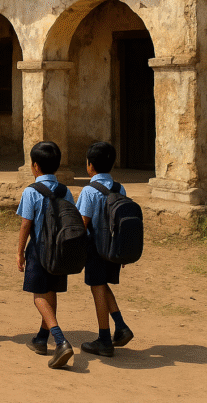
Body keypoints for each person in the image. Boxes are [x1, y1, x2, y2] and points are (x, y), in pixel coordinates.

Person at [16, 141, 76, 369]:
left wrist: (20, 252)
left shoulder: (31, 191)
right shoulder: (65, 191)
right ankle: (41, 338)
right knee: (51, 293)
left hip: (39, 249)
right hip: (60, 250)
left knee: (39, 296)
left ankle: (60, 340)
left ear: (35, 166)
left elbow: (25, 225)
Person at [76, 141, 135, 357]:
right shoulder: (120, 188)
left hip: (95, 249)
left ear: (90, 165)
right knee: (102, 285)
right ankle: (120, 327)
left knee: (97, 289)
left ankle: (104, 339)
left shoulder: (89, 191)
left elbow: (82, 223)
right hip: (114, 248)